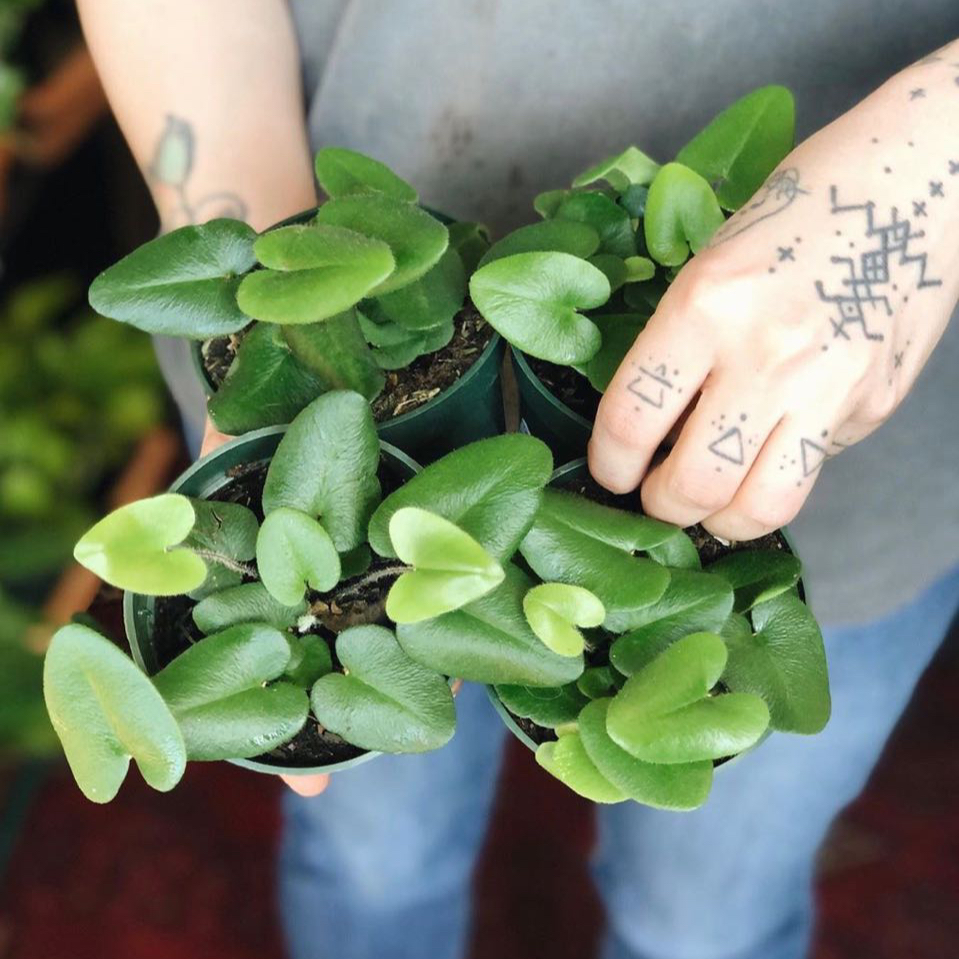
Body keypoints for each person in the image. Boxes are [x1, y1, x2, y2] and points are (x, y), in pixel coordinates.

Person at [76, 3, 959, 958]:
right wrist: (260, 247)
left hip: (861, 413)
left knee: (702, 922)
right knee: (374, 862)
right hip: (330, 180)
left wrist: (927, 170)